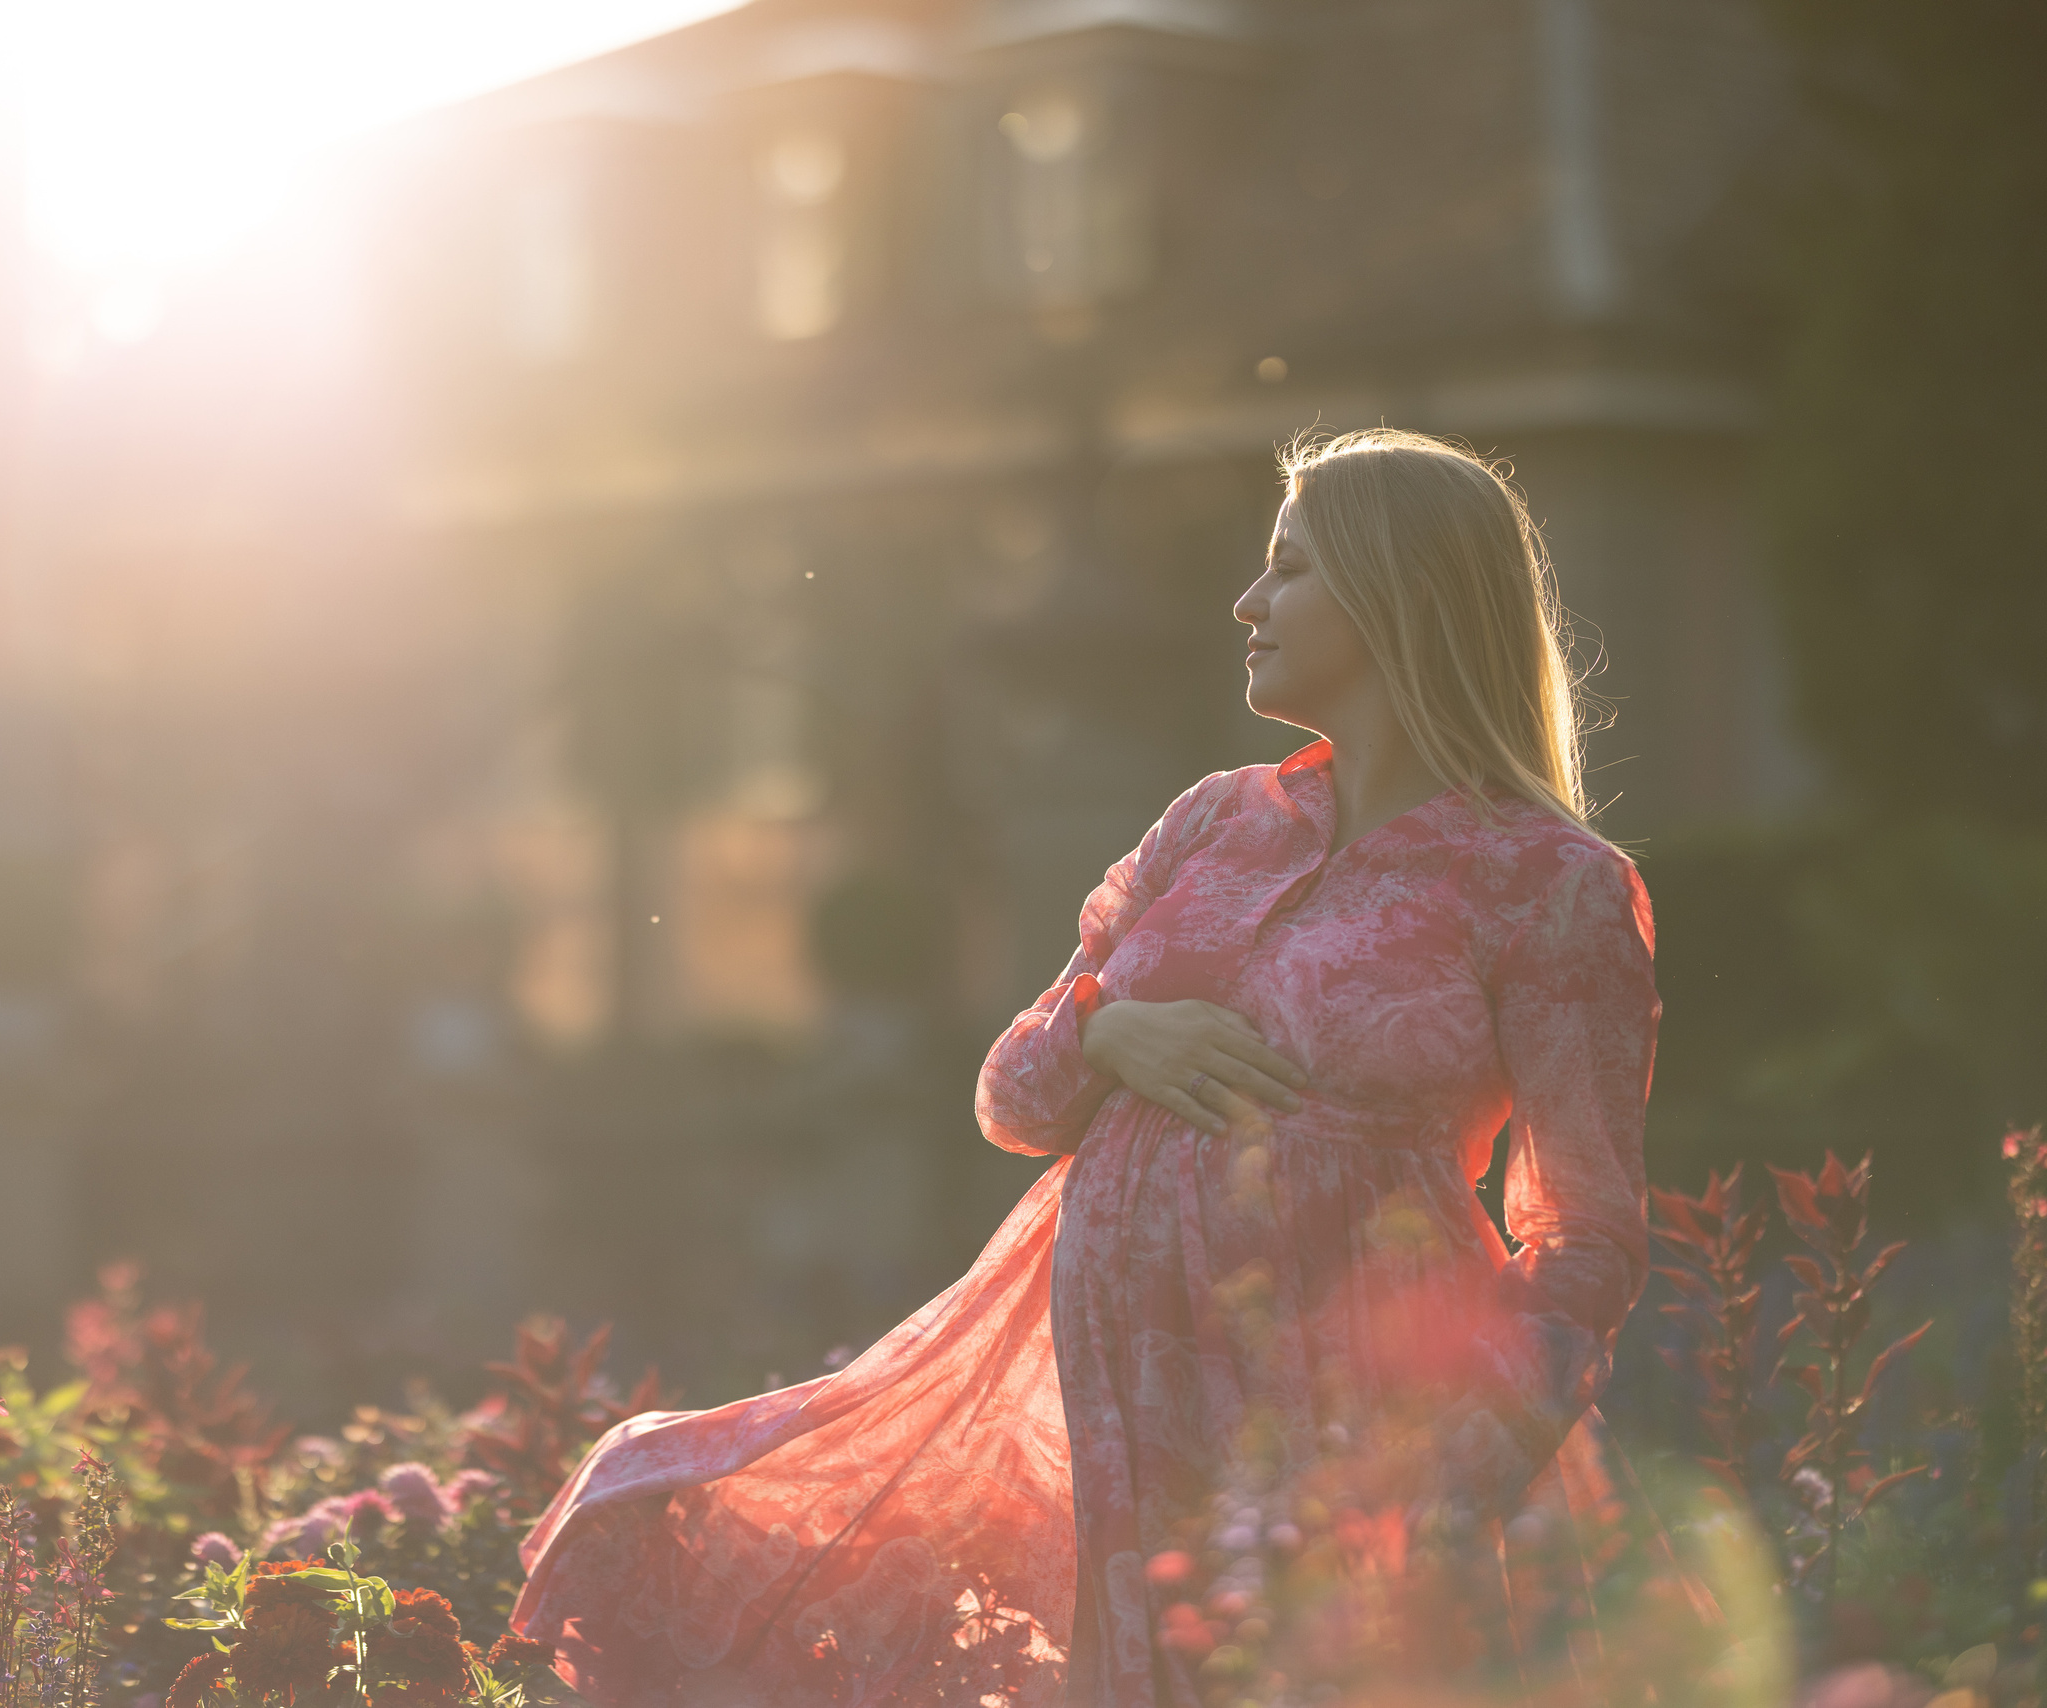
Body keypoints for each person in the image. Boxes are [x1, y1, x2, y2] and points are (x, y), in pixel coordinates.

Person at [510, 429, 1718, 1707]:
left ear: (1396, 591)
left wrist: (1456, 1459)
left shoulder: (1551, 885)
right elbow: (1013, 1100)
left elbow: (1586, 1233)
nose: (1248, 603)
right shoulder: (1212, 821)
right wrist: (1104, 1030)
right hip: (1122, 1414)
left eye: (1290, 569)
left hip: (1356, 1424)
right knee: (671, 1510)